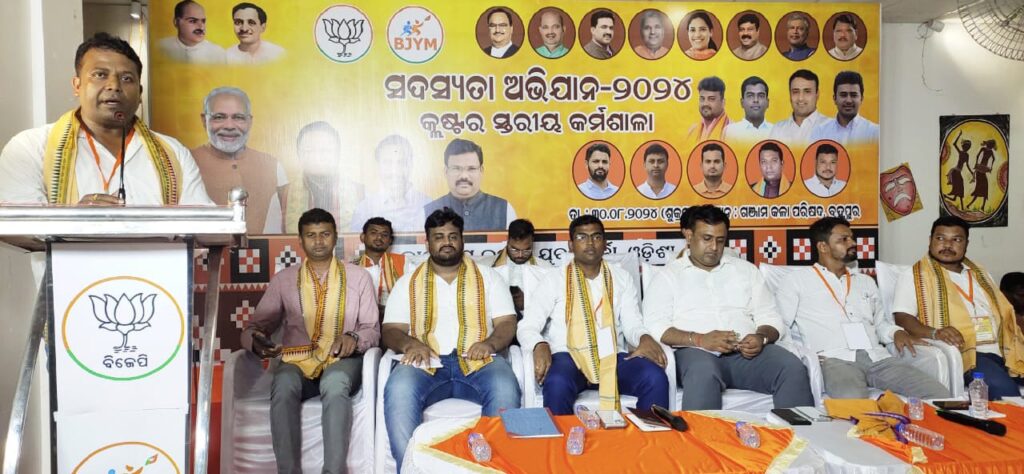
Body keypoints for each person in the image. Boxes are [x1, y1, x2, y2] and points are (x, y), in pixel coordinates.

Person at [241, 208, 380, 474]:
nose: (318, 241)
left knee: (334, 383)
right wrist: (256, 341)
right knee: (283, 384)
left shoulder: (358, 277)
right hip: (298, 360)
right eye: (311, 235)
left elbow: (372, 329)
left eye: (325, 234)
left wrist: (353, 337)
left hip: (342, 359)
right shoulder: (284, 280)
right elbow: (255, 327)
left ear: (335, 237)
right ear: (300, 240)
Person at [0, 33, 211, 206]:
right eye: (100, 75)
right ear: (77, 85)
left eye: (126, 78)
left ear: (139, 93)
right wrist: (73, 221)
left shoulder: (173, 152)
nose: (114, 86)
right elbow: (14, 225)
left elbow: (201, 225)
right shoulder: (30, 146)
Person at [382, 208, 521, 469]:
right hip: (425, 363)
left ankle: (492, 470)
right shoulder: (408, 282)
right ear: (427, 242)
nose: (447, 242)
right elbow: (390, 329)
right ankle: (410, 469)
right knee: (399, 390)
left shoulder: (489, 277)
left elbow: (507, 323)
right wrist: (410, 344)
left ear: (462, 240)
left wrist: (489, 344)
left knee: (505, 387)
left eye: (452, 236)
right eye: (439, 237)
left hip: (479, 362)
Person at [644, 205, 814, 410]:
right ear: (688, 235)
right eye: (707, 238)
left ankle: (795, 431)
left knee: (791, 367)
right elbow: (657, 326)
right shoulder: (668, 276)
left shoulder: (746, 271)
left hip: (745, 354)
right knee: (703, 373)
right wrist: (700, 339)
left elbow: (770, 317)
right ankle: (703, 432)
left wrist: (761, 337)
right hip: (695, 353)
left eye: (720, 240)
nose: (714, 247)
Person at [777, 217, 949, 399]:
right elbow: (781, 326)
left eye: (851, 238)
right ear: (823, 247)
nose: (852, 243)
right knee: (853, 402)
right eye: (843, 239)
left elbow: (880, 323)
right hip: (835, 359)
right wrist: (803, 356)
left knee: (939, 395)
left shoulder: (865, 282)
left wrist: (896, 332)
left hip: (877, 357)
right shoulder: (796, 281)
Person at [519, 215, 669, 414]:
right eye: (581, 237)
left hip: (612, 356)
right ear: (570, 245)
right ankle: (560, 436)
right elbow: (527, 326)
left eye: (596, 237)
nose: (590, 243)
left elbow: (632, 323)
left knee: (654, 378)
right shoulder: (554, 280)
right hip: (568, 357)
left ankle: (650, 434)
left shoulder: (621, 278)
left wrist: (644, 337)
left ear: (605, 244)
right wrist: (539, 344)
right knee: (557, 383)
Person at [893, 216, 1024, 400]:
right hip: (968, 355)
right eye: (940, 238)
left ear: (966, 244)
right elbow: (902, 316)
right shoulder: (915, 276)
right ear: (930, 240)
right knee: (1007, 394)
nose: (947, 245)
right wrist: (935, 333)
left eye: (956, 239)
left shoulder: (980, 273)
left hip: (1005, 351)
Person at [192, 87, 287, 234]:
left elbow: (288, 225)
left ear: (249, 121)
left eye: (238, 117)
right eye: (219, 117)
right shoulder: (187, 162)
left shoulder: (272, 166)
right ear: (204, 120)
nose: (229, 126)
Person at [423, 138, 517, 231]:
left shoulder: (504, 209)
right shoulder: (426, 212)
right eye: (456, 168)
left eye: (471, 169)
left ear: (481, 171)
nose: (464, 176)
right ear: (446, 172)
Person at [288, 121, 364, 234]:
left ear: (338, 154)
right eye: (309, 150)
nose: (317, 157)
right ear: (299, 154)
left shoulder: (361, 194)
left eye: (325, 150)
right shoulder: (282, 197)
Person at [348, 135, 429, 233]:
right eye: (388, 163)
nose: (395, 171)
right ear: (378, 166)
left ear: (410, 165)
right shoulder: (364, 210)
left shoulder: (428, 205)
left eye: (401, 162)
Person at [353, 216, 404, 321]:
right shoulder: (351, 268)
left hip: (395, 321)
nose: (379, 237)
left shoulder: (404, 263)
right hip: (361, 323)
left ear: (390, 240)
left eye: (384, 235)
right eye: (373, 233)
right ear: (362, 237)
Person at [810, 71, 879, 146]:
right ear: (835, 99)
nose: (848, 100)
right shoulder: (820, 132)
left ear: (861, 99)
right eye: (843, 95)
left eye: (853, 95)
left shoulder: (874, 132)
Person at [769, 69, 828, 148]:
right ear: (790, 95)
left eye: (807, 91)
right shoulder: (778, 129)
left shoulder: (830, 127)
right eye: (795, 92)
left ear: (817, 94)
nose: (801, 98)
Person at [157, 0, 225, 64]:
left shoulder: (218, 53)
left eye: (203, 21)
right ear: (177, 22)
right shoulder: (161, 47)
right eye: (193, 21)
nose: (201, 27)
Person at [722, 76, 773, 143]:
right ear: (742, 102)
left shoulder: (776, 132)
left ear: (767, 102)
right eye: (750, 96)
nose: (756, 100)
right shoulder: (730, 132)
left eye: (761, 96)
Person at [685, 76, 731, 145]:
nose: (705, 103)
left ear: (723, 102)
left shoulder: (732, 131)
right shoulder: (692, 131)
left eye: (711, 99)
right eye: (702, 99)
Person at [944, 130, 972, 209]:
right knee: (960, 187)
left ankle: (955, 201)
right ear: (964, 147)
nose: (967, 148)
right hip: (955, 171)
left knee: (960, 187)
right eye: (966, 146)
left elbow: (967, 165)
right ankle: (961, 206)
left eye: (968, 147)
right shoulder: (962, 153)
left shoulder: (966, 155)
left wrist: (971, 172)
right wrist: (959, 135)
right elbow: (954, 144)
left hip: (957, 172)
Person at [967, 139, 997, 210]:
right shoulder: (988, 150)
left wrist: (978, 164)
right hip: (981, 171)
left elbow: (978, 156)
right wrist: (989, 168)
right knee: (981, 188)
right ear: (991, 145)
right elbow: (992, 159)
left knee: (983, 188)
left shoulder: (986, 150)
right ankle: (975, 205)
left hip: (980, 170)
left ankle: (980, 206)